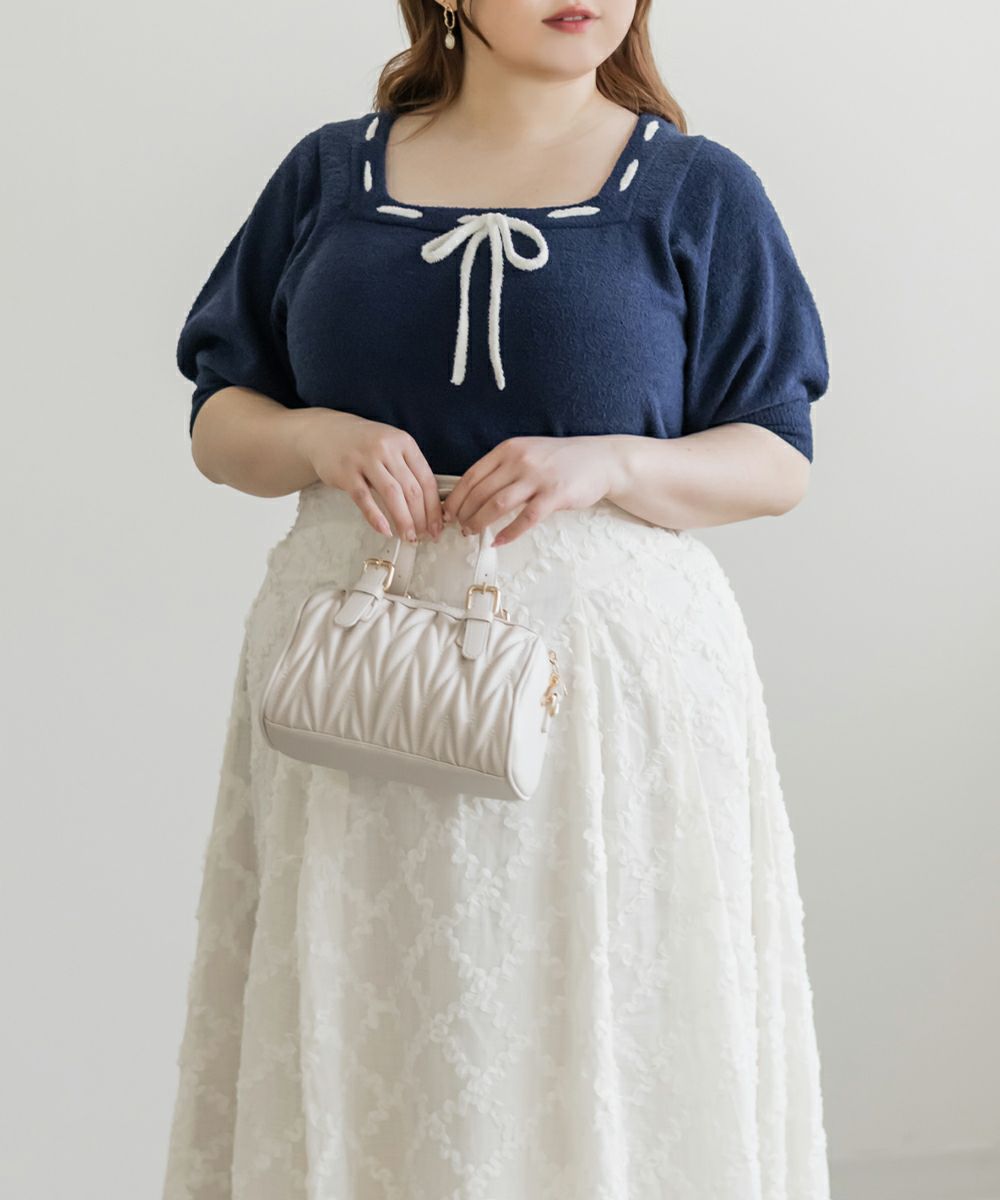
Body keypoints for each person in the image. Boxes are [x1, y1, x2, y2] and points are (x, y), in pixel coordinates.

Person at [161, 2, 833, 1197]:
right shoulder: (328, 176)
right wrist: (314, 437)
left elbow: (776, 457)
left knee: (597, 1015)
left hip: (603, 702)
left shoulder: (696, 189)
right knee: (372, 1008)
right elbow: (221, 421)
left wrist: (611, 463)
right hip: (350, 689)